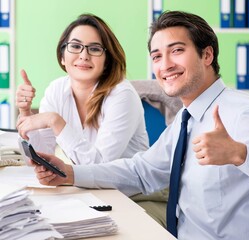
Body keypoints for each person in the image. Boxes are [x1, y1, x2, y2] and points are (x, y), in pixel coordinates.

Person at [33, 11, 249, 240]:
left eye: (177, 50)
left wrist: (240, 154)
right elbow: (140, 172)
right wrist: (69, 173)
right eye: (157, 56)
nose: (166, 65)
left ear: (207, 55)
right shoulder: (186, 120)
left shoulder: (245, 114)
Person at [16, 14, 149, 165]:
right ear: (62, 57)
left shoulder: (123, 95)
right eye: (75, 46)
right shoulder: (56, 90)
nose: (84, 55)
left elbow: (99, 165)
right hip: (88, 186)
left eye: (94, 49)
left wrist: (54, 121)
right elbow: (40, 158)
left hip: (127, 187)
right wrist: (25, 114)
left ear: (106, 61)